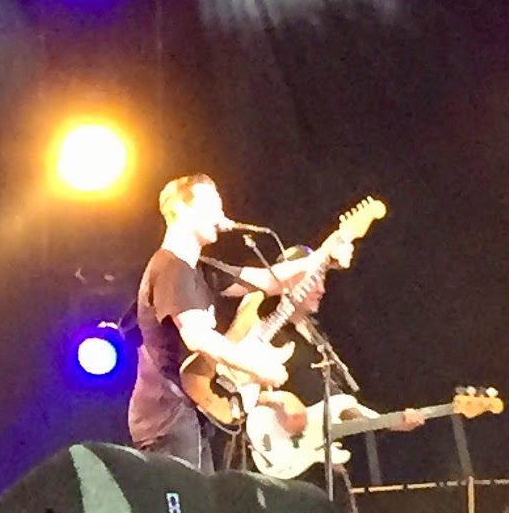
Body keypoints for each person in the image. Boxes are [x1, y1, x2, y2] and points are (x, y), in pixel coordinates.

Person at [127, 174, 353, 472]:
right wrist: (257, 367)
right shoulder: (172, 268)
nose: (221, 215)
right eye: (212, 205)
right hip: (168, 416)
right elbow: (198, 336)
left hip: (187, 414)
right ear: (181, 208)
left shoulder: (199, 270)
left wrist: (323, 255)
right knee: (183, 502)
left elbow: (268, 281)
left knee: (200, 499)